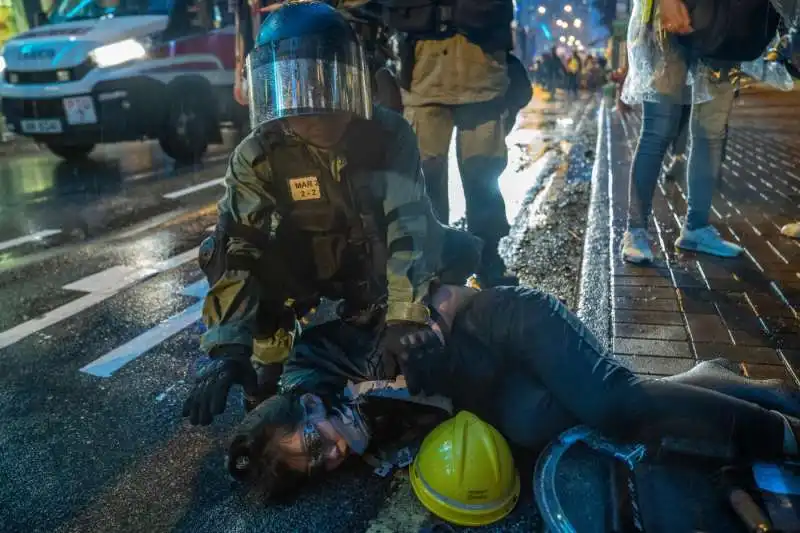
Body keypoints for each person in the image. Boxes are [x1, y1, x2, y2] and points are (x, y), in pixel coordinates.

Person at [182, 1, 480, 425]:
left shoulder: (388, 134)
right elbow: (237, 251)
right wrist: (227, 348)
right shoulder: (258, 154)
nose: (313, 108)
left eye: (326, 87)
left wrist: (405, 319)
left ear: (355, 81)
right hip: (307, 263)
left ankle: (382, 318)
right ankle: (272, 353)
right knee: (223, 250)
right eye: (296, 90)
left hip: (370, 260)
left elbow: (409, 226)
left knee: (457, 254)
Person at [226, 282, 800, 499]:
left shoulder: (334, 338)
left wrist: (427, 324)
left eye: (317, 443)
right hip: (492, 384)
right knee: (543, 430)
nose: (337, 453)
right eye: (322, 465)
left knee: (616, 406)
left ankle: (782, 432)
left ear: (308, 403)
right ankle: (709, 380)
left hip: (509, 326)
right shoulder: (340, 413)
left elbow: (451, 278)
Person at [384, 0, 524, 286]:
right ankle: (436, 263)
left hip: (478, 78)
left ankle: (486, 257)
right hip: (428, 80)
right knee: (427, 179)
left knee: (483, 175)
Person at [620, 0, 744, 263]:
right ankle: (636, 230)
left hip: (726, 25)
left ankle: (696, 228)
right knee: (658, 129)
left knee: (711, 132)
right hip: (672, 17)